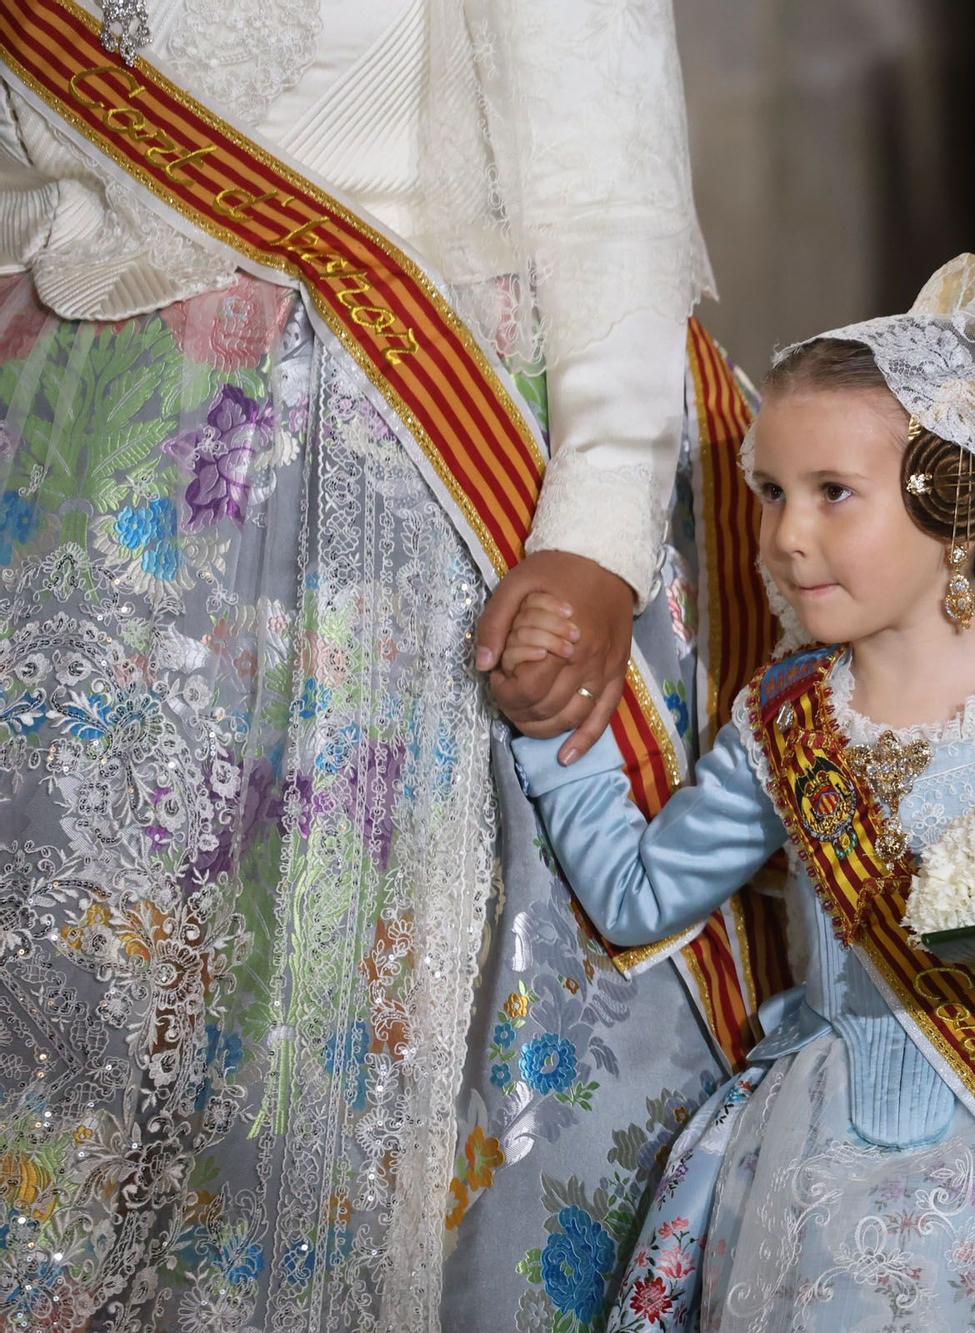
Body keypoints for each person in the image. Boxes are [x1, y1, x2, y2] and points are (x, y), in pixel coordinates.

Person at [0, 2, 758, 1327]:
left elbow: (605, 181)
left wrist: (603, 516)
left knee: (299, 1052)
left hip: (382, 483)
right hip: (62, 460)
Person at [494, 255, 975, 1329]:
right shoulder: (782, 723)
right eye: (770, 491)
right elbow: (641, 895)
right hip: (824, 1174)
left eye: (831, 495)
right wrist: (552, 728)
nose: (784, 535)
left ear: (950, 502)